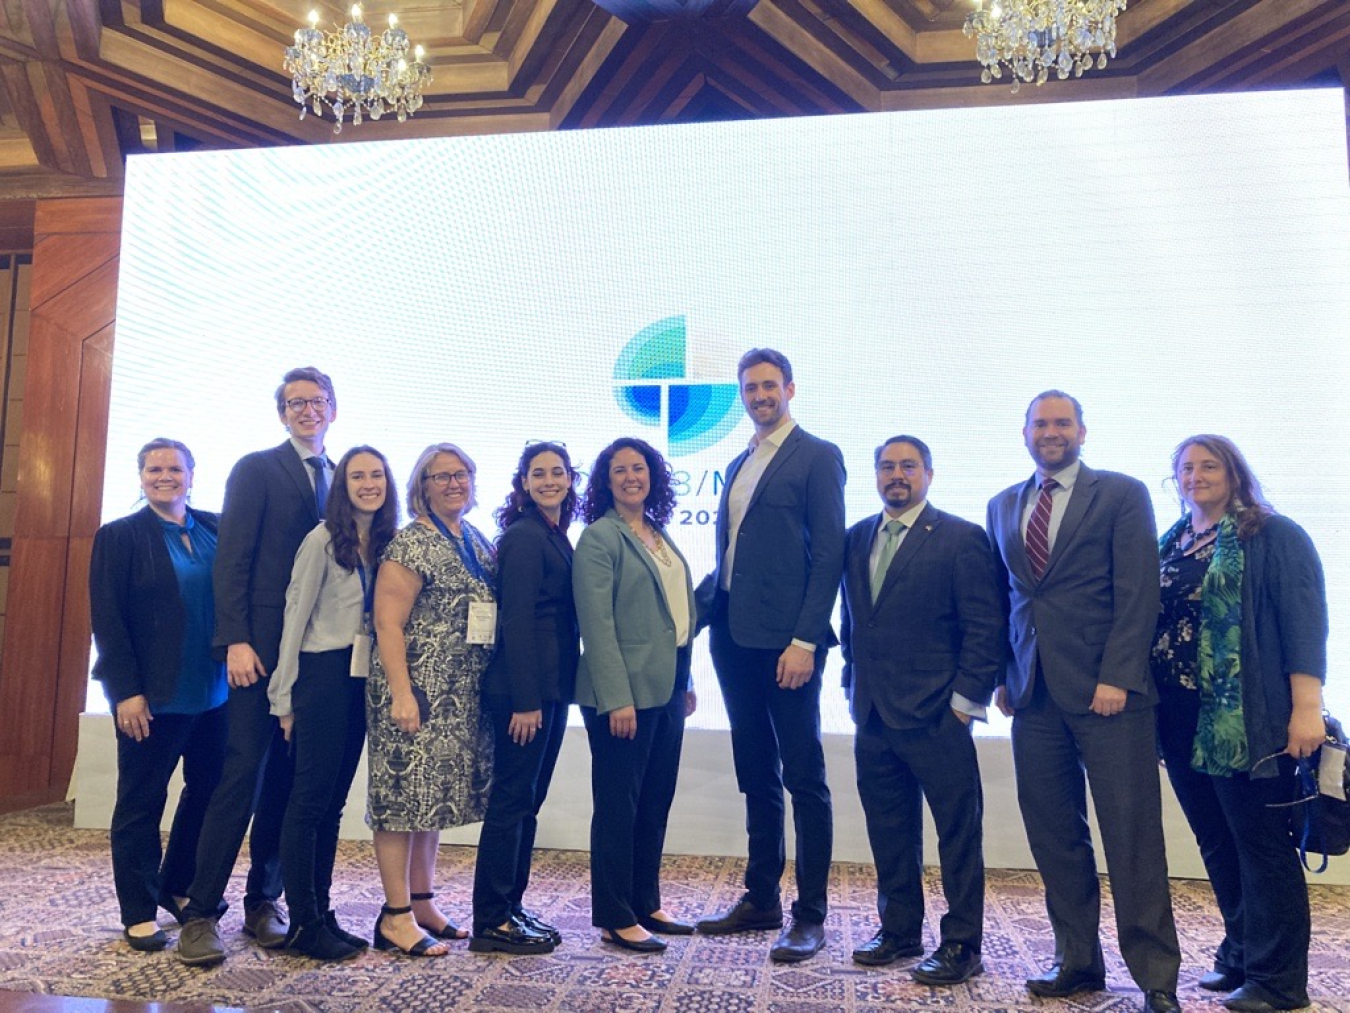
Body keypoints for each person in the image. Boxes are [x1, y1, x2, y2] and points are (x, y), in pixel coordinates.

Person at [985, 391, 1181, 1013]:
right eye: (1040, 424)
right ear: (1024, 433)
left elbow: (1138, 592)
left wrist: (1117, 676)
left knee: (1132, 837)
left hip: (1109, 696)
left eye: (1061, 423)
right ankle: (1077, 961)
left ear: (1082, 431)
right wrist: (1003, 675)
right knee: (1054, 836)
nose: (1051, 433)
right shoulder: (1002, 505)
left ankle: (1156, 977)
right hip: (1033, 696)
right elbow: (1005, 599)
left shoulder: (1121, 495)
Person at [1151, 435, 1326, 1013]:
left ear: (1234, 472)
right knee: (1217, 840)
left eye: (1209, 465)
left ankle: (1279, 983)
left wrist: (1307, 707)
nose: (1196, 476)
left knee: (1261, 845)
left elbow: (1304, 626)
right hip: (1179, 718)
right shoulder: (1174, 541)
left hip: (1248, 717)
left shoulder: (1272, 534)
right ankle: (1242, 954)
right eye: (1186, 468)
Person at [178, 367, 338, 967]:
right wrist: (236, 640)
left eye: (316, 401)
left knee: (288, 781)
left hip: (317, 654)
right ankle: (200, 912)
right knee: (242, 775)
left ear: (332, 409)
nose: (307, 411)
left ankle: (263, 901)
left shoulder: (342, 474)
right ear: (281, 413)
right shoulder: (255, 468)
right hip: (260, 652)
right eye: (295, 403)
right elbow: (233, 561)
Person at [696, 348, 846, 964]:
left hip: (789, 646)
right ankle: (762, 898)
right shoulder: (739, 461)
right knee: (755, 771)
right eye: (749, 388)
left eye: (768, 386)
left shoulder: (817, 456)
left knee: (804, 776)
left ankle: (809, 915)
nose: (760, 396)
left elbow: (830, 553)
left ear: (789, 388)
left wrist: (806, 639)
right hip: (733, 640)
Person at [839, 435, 1003, 984]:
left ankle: (962, 944)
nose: (896, 475)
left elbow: (985, 628)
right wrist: (849, 686)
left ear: (929, 474)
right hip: (873, 714)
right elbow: (856, 620)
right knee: (890, 829)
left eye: (908, 466)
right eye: (886, 466)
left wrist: (964, 704)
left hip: (938, 716)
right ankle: (900, 930)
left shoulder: (960, 538)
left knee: (957, 833)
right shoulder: (857, 536)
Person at [90, 438, 228, 953]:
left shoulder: (217, 528)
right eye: (154, 469)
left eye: (174, 468)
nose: (164, 476)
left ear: (192, 474)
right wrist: (126, 692)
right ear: (141, 475)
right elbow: (108, 620)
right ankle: (139, 911)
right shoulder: (121, 536)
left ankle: (177, 885)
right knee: (140, 805)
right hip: (153, 699)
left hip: (217, 695)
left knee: (208, 795)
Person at [268, 446, 399, 960]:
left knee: (332, 805)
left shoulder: (386, 543)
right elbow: (294, 618)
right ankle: (302, 924)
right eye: (358, 476)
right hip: (320, 676)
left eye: (377, 475)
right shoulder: (322, 539)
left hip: (361, 677)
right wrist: (283, 697)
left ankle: (322, 914)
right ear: (342, 485)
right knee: (308, 802)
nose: (369, 483)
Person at [367, 442, 495, 957]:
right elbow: (387, 623)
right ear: (421, 486)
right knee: (400, 802)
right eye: (440, 477)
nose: (453, 484)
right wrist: (402, 693)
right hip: (414, 692)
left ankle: (423, 903)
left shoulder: (475, 536)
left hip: (458, 697)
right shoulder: (409, 543)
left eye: (461, 474)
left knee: (430, 802)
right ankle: (395, 916)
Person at [574, 437, 697, 954]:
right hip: (622, 696)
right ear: (605, 481)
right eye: (620, 469)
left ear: (653, 476)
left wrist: (685, 681)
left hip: (666, 690)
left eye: (640, 468)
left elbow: (674, 614)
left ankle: (647, 901)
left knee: (654, 800)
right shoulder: (600, 539)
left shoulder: (657, 533)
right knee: (619, 805)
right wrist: (616, 697)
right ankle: (615, 914)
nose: (631, 477)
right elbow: (597, 626)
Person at [470, 441, 579, 956]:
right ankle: (491, 919)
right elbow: (516, 620)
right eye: (539, 473)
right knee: (511, 801)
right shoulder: (524, 537)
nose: (550, 480)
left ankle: (511, 907)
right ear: (523, 483)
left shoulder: (554, 534)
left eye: (558, 472)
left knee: (526, 803)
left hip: (550, 690)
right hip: (524, 694)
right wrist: (527, 701)